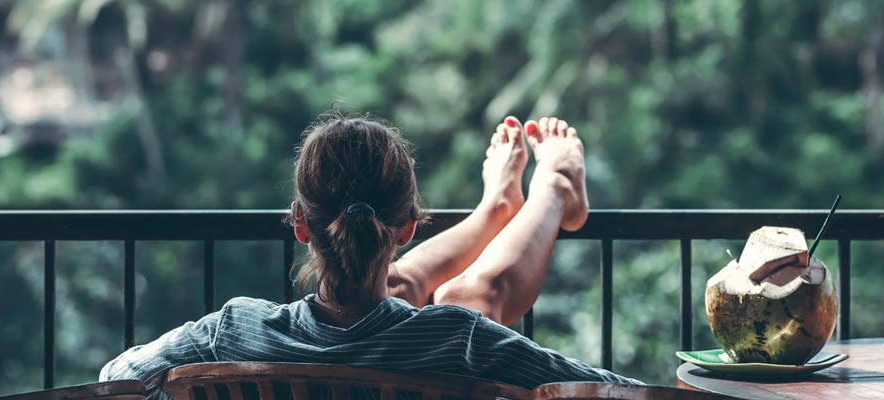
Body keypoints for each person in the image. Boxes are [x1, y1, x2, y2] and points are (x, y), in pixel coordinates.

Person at [99, 112, 642, 398]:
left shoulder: (232, 333)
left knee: (418, 300)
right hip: (426, 336)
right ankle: (544, 189)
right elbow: (611, 393)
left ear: (299, 225)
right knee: (463, 299)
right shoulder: (462, 341)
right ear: (407, 228)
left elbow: (118, 376)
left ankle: (499, 207)